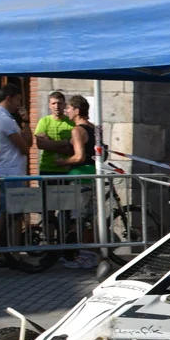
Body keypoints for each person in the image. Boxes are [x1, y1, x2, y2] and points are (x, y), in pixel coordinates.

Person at [54, 95, 98, 268]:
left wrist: (63, 162)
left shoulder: (77, 130)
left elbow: (79, 156)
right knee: (89, 217)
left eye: (69, 108)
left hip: (80, 176)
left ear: (77, 110)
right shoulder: (95, 128)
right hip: (93, 174)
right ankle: (90, 253)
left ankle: (82, 256)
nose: (66, 111)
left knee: (78, 218)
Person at [0, 83, 32, 249]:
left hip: (13, 171)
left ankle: (5, 252)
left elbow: (28, 142)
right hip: (11, 172)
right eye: (18, 100)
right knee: (14, 216)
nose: (19, 104)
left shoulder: (6, 118)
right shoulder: (4, 119)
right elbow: (25, 148)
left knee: (8, 214)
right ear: (9, 98)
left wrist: (26, 121)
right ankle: (11, 252)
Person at [33, 91, 74, 176]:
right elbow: (40, 144)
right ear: (49, 105)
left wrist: (49, 143)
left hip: (66, 169)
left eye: (59, 103)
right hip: (47, 168)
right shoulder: (44, 121)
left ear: (65, 105)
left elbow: (73, 148)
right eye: (53, 103)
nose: (56, 106)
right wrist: (66, 142)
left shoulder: (71, 122)